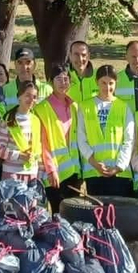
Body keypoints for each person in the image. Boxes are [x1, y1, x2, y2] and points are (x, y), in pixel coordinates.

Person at [76, 65, 135, 198]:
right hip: (94, 172)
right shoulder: (85, 107)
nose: (107, 87)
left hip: (119, 174)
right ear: (96, 82)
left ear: (116, 84)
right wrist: (94, 163)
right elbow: (81, 138)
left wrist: (118, 166)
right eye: (103, 82)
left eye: (111, 83)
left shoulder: (123, 107)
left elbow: (129, 140)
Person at [0, 79, 57, 192]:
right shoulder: (8, 120)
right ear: (19, 96)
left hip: (33, 175)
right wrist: (19, 155)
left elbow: (39, 150)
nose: (31, 99)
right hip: (12, 174)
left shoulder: (37, 120)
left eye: (34, 97)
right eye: (28, 95)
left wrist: (40, 175)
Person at [35, 64, 81, 208]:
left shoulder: (74, 106)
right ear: (50, 82)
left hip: (73, 170)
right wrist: (51, 169)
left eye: (66, 79)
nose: (63, 82)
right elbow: (43, 143)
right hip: (54, 171)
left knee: (72, 213)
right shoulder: (41, 108)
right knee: (57, 212)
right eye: (59, 79)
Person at [66, 40, 98, 110]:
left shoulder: (99, 77)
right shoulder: (63, 78)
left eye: (83, 55)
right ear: (70, 56)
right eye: (76, 55)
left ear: (88, 56)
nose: (80, 59)